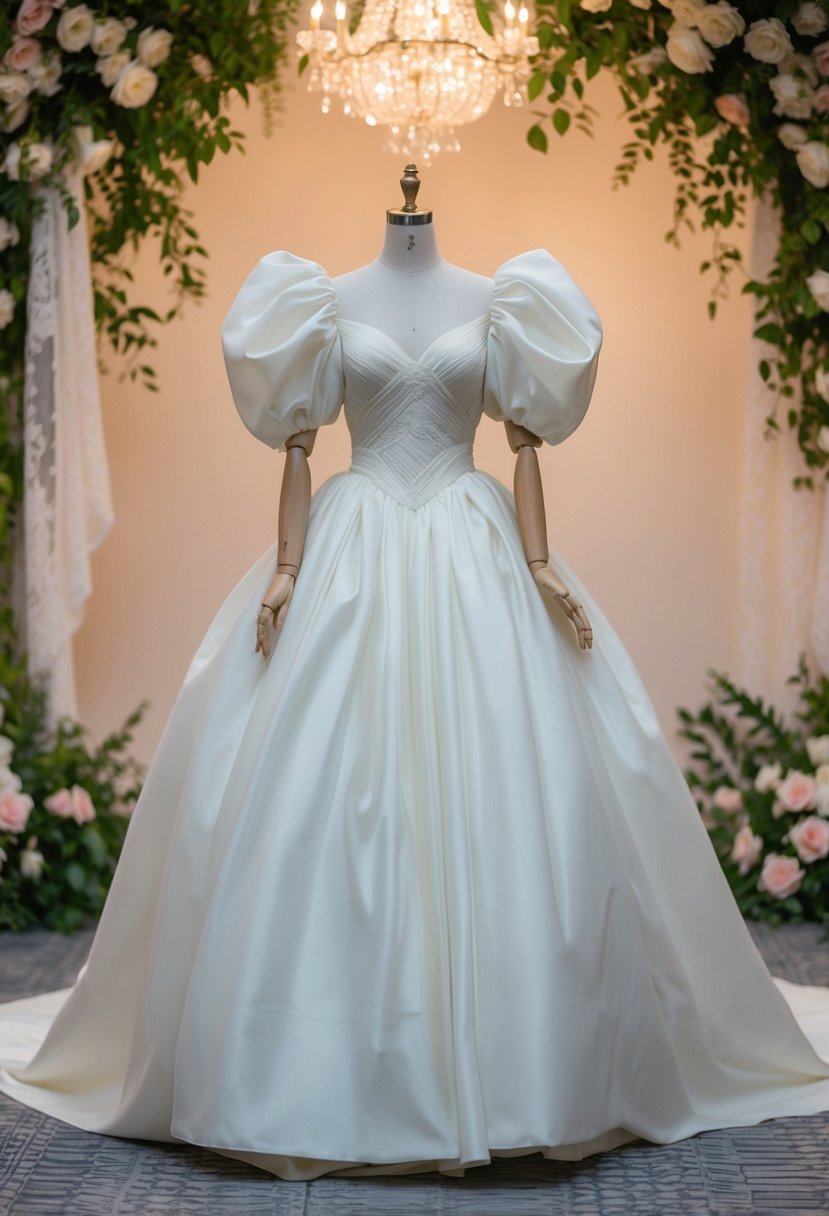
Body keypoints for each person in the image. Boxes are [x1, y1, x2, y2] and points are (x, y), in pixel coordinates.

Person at [1, 168, 829, 1182]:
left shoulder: (502, 299)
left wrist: (538, 566)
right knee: (314, 797)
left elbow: (526, 449)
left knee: (514, 794)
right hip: (347, 549)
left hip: (475, 544)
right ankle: (314, 1064)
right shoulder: (319, 300)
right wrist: (287, 572)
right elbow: (298, 453)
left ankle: (531, 1061)